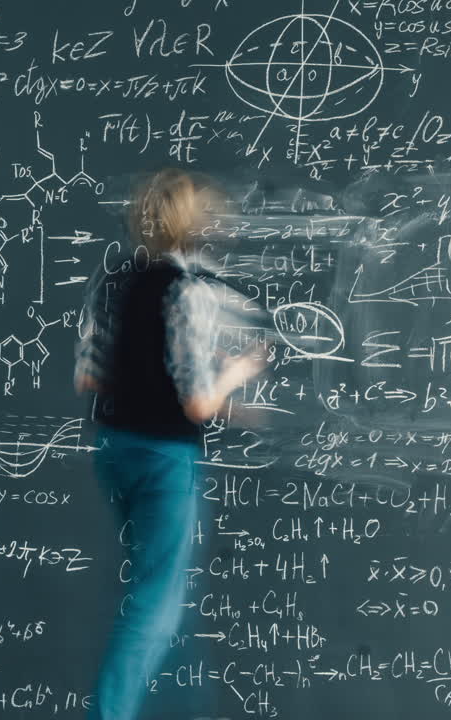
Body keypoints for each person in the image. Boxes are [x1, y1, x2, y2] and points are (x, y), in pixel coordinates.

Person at [74, 168, 265, 720]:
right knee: (154, 604)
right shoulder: (192, 289)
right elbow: (196, 404)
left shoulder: (114, 280)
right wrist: (239, 371)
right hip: (165, 458)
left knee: (164, 593)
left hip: (115, 451)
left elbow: (90, 377)